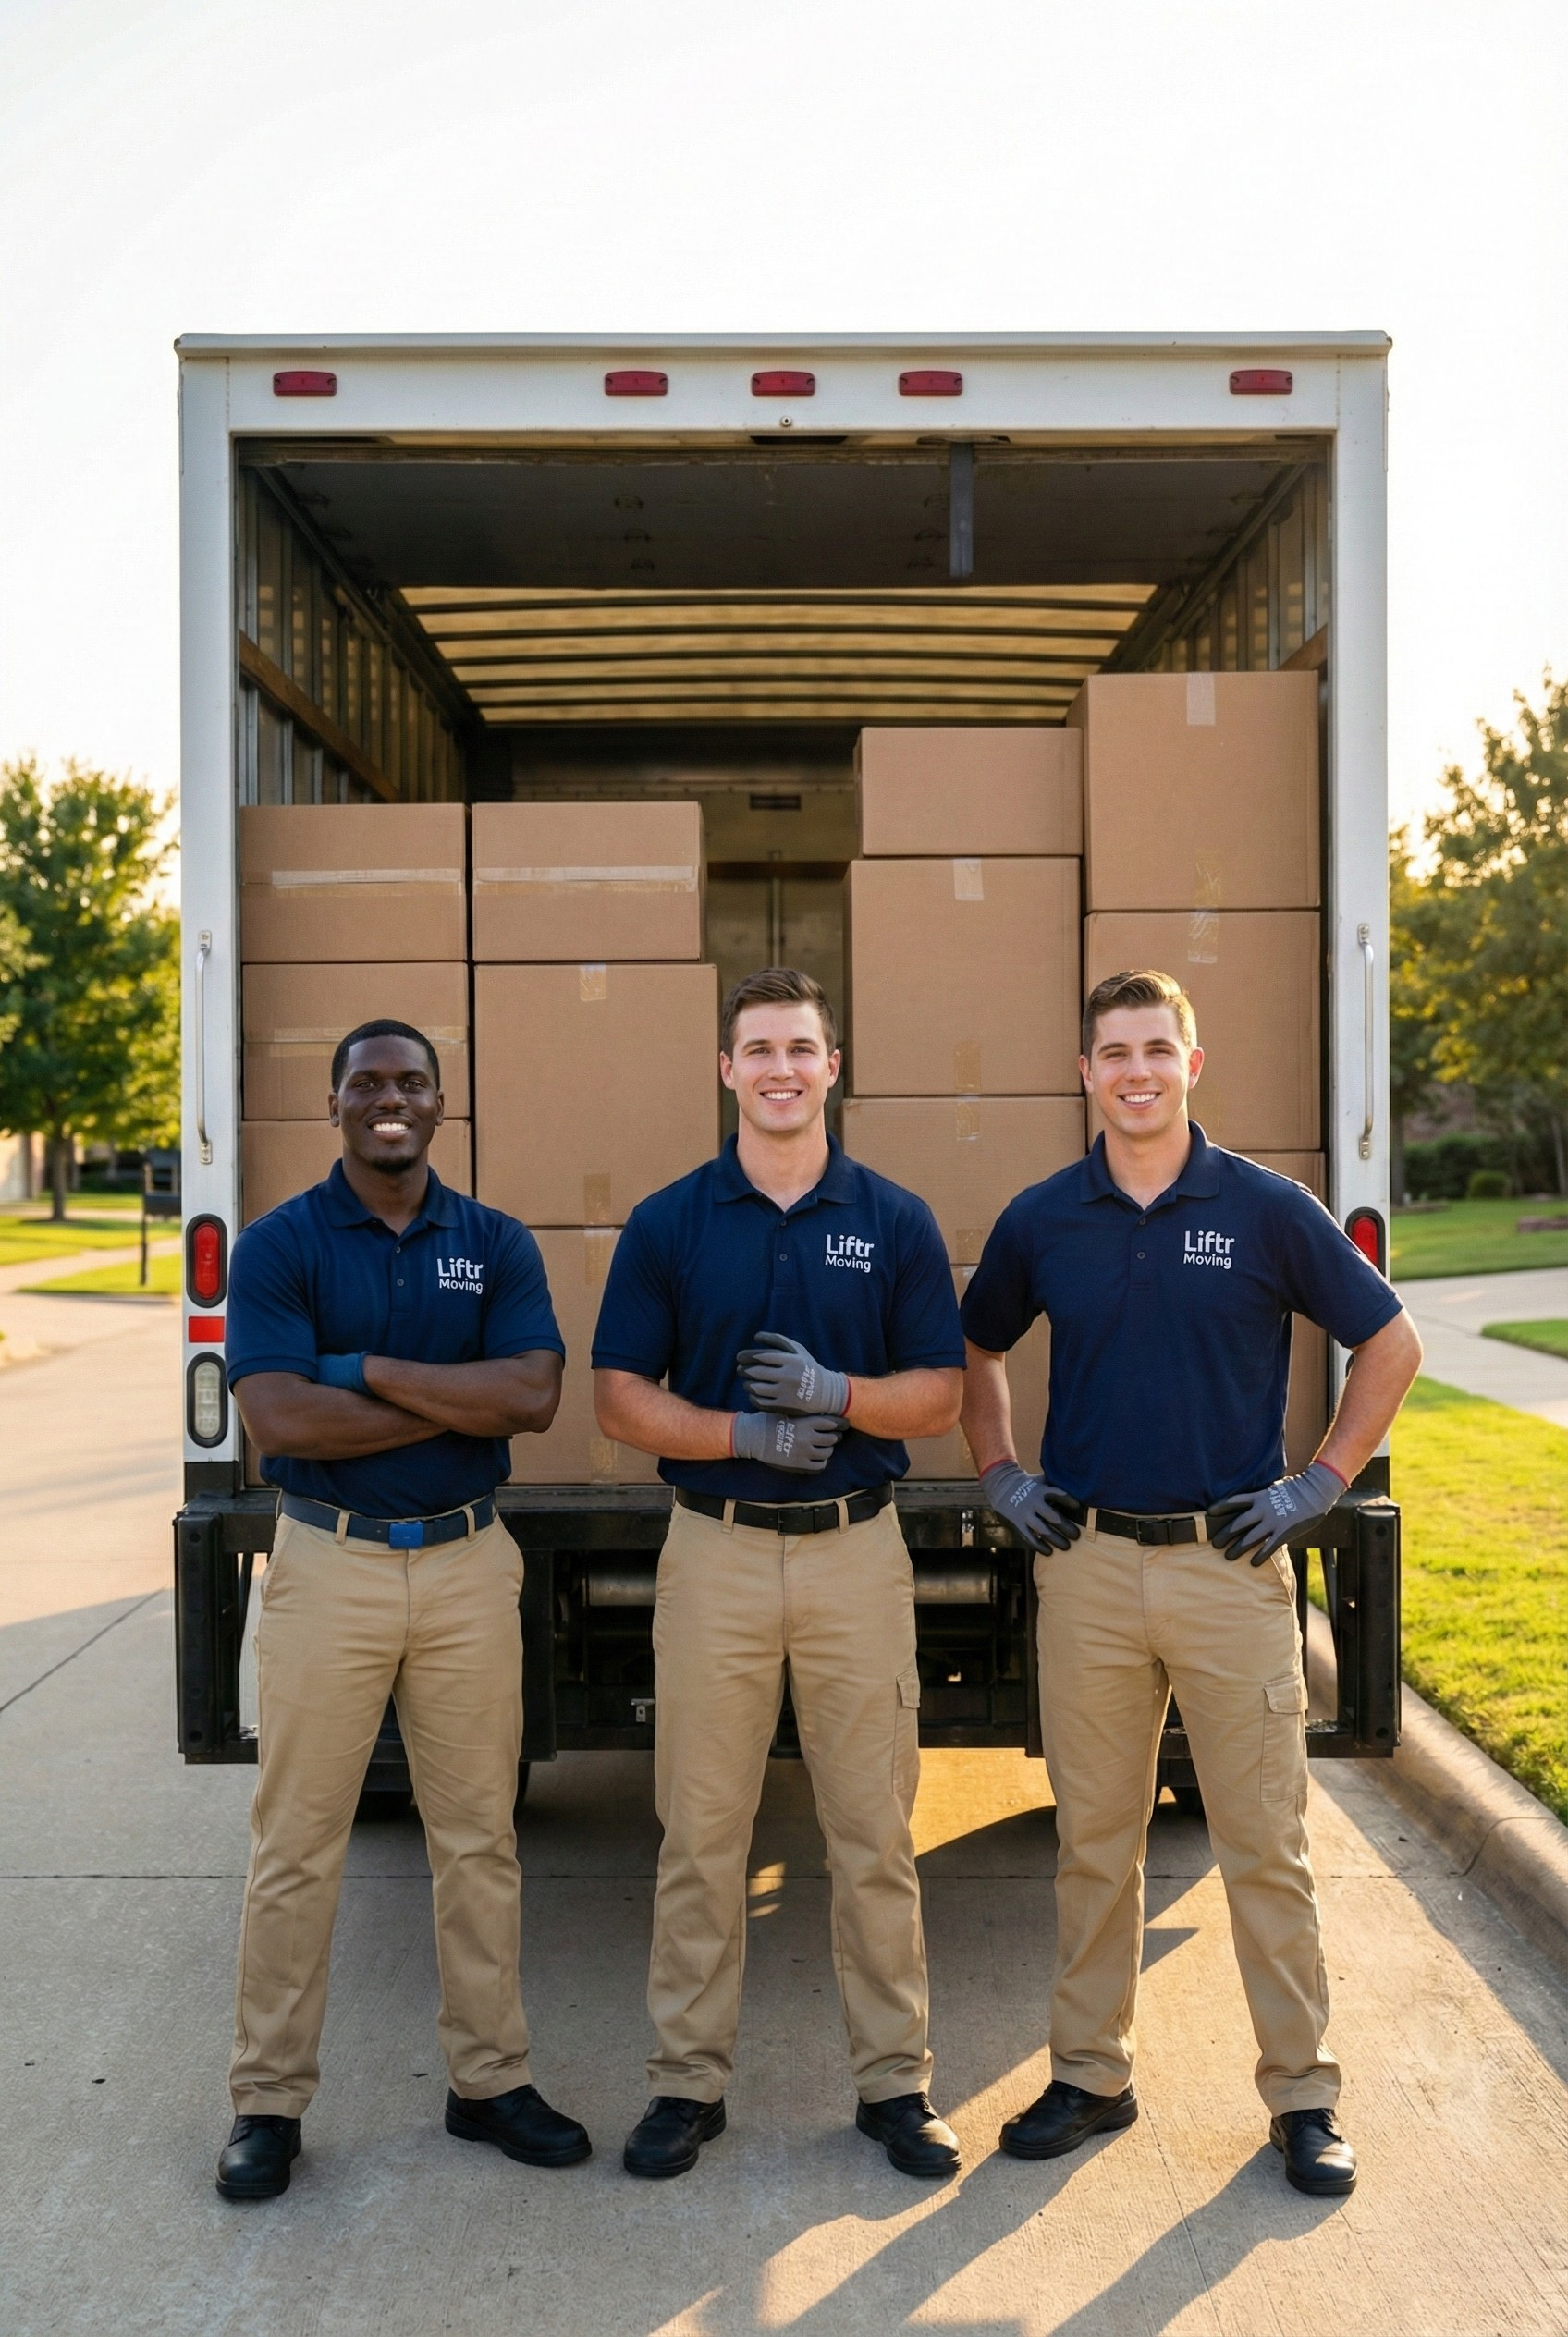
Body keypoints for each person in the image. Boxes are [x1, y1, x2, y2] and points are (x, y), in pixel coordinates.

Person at [960, 968, 1422, 2198]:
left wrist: (1320, 1483)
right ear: (1086, 1072)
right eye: (1113, 1052)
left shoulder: (1269, 1210)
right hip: (1091, 1568)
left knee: (1265, 1844)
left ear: (1193, 1064)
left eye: (1157, 1048)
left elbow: (1390, 1340)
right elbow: (978, 1341)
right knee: (1093, 1842)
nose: (1136, 1070)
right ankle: (1092, 2073)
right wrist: (999, 1468)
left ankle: (1305, 2098)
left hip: (1231, 1567)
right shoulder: (1043, 1217)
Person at [592, 967, 968, 2181]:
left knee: (872, 1832)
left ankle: (896, 2086)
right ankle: (685, 2085)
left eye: (801, 1048)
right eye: (758, 1050)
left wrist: (838, 1398)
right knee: (701, 1832)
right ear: (726, 1071)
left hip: (859, 1552)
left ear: (833, 1066)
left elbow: (943, 1393)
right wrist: (741, 1434)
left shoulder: (896, 1219)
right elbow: (618, 1396)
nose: (780, 1070)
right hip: (717, 1551)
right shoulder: (669, 1221)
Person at [216, 1017, 590, 2201]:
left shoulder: (494, 1241)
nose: (391, 1097)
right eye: (367, 1082)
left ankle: (488, 2079)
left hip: (470, 1567)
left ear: (441, 1105)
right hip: (328, 1565)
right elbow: (278, 1421)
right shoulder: (279, 1247)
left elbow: (531, 1394)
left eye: (411, 1082)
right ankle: (267, 2101)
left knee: (478, 1837)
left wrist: (363, 1367)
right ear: (333, 1104)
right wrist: (453, 1401)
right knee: (297, 1846)